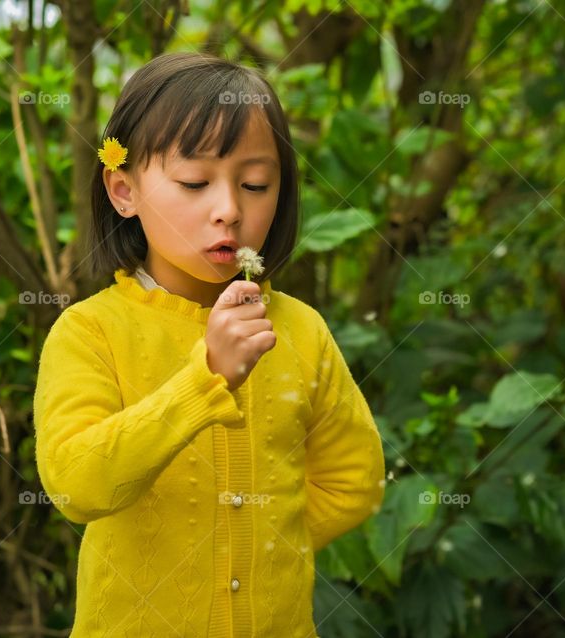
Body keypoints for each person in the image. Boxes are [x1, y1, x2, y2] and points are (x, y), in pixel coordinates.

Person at [33, 51, 385, 637]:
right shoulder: (90, 331)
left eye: (255, 184)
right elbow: (76, 485)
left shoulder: (300, 330)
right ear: (123, 191)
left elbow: (355, 482)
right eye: (194, 182)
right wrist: (206, 381)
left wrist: (252, 539)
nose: (229, 210)